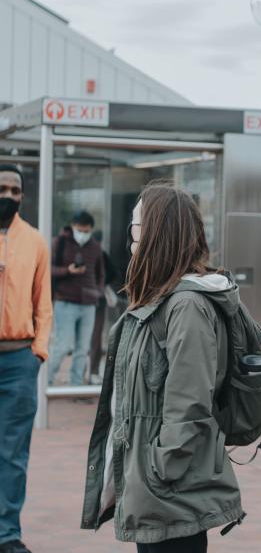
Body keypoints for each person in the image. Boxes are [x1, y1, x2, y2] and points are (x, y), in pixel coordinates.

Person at [80, 183, 243, 552]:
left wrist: (158, 468)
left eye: (136, 227)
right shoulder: (159, 300)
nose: (131, 238)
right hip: (154, 492)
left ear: (157, 233)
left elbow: (188, 406)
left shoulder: (187, 307)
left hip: (171, 492)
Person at [0, 164, 52, 553]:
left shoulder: (34, 240)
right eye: (2, 188)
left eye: (15, 190)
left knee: (13, 453)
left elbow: (43, 303)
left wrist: (38, 352)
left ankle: (7, 534)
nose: (9, 196)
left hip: (19, 360)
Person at [48, 211, 104, 385]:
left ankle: (76, 386)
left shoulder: (95, 246)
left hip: (88, 305)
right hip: (65, 302)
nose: (83, 234)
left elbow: (100, 273)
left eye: (87, 231)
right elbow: (48, 269)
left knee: (82, 349)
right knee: (62, 346)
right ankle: (45, 382)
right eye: (80, 230)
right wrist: (68, 270)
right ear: (73, 226)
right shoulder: (60, 242)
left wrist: (97, 292)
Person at [87, 230, 121, 385]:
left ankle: (90, 372)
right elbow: (113, 274)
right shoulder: (99, 253)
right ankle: (91, 373)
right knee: (93, 338)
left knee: (91, 339)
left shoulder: (98, 254)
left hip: (92, 301)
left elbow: (112, 274)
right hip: (92, 301)